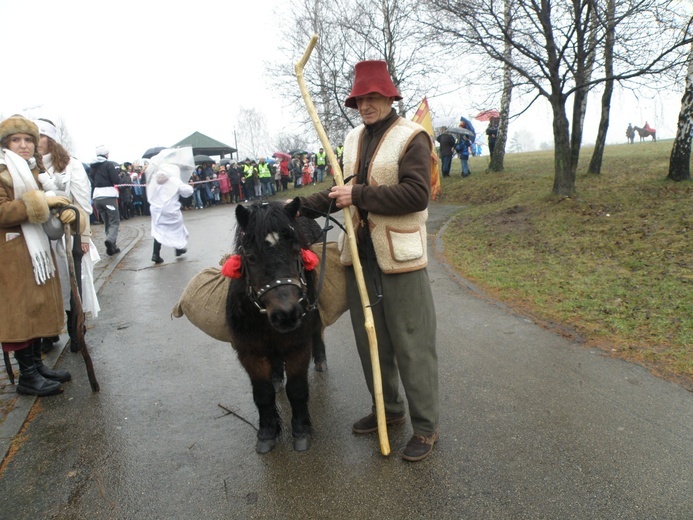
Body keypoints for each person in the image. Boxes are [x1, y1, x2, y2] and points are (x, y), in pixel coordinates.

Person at [297, 60, 439, 462]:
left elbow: (416, 195)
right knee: (370, 343)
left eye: (373, 97)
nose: (365, 105)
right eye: (360, 99)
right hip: (359, 258)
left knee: (412, 344)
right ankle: (390, 411)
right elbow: (341, 191)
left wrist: (357, 196)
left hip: (400, 259)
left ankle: (426, 428)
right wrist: (299, 207)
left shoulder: (413, 137)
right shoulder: (353, 138)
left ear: (390, 96)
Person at [0, 115, 77, 396]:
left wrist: (61, 210)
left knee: (35, 308)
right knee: (19, 314)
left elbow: (45, 205)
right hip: (9, 254)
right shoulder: (2, 170)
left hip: (35, 251)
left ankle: (36, 365)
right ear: (6, 143)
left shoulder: (32, 170)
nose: (24, 145)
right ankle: (28, 377)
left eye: (28, 140)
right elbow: (3, 211)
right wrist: (41, 201)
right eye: (16, 140)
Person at [35, 118, 101, 353]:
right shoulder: (30, 166)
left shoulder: (70, 165)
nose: (37, 142)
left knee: (73, 283)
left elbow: (82, 203)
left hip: (68, 235)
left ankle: (76, 330)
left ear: (51, 140)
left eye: (41, 136)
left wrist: (83, 236)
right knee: (46, 286)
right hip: (40, 236)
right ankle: (48, 332)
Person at [146, 147, 195, 264]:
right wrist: (191, 186)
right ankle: (178, 248)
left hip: (157, 209)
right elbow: (187, 191)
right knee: (178, 229)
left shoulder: (154, 179)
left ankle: (156, 253)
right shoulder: (173, 180)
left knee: (159, 231)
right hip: (171, 210)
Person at [90, 144, 121, 255]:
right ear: (105, 154)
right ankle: (110, 241)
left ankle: (112, 247)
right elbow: (115, 180)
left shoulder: (92, 167)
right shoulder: (108, 165)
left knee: (107, 222)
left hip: (97, 198)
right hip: (108, 196)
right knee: (115, 220)